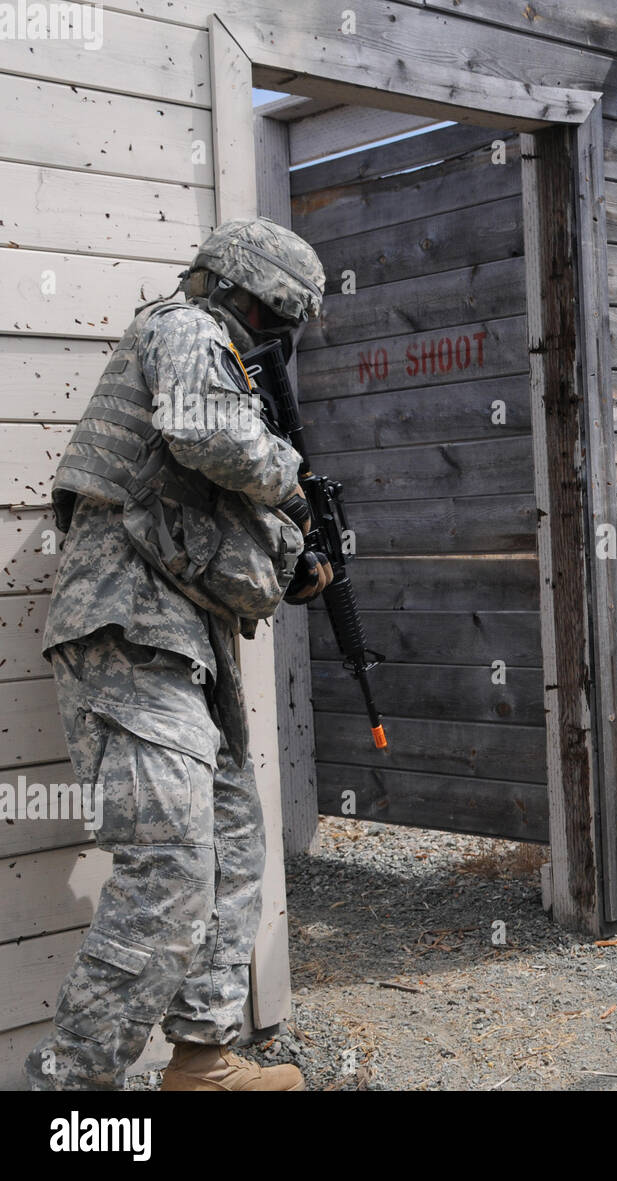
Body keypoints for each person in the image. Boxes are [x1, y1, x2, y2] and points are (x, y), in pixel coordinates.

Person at [25, 217, 332, 1092]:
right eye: (276, 318)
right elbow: (210, 438)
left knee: (234, 846)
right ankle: (68, 1095)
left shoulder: (225, 358)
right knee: (169, 872)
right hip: (126, 634)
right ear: (242, 294)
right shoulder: (182, 328)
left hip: (186, 649)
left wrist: (291, 560)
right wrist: (294, 480)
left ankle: (200, 1060)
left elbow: (207, 513)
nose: (277, 338)